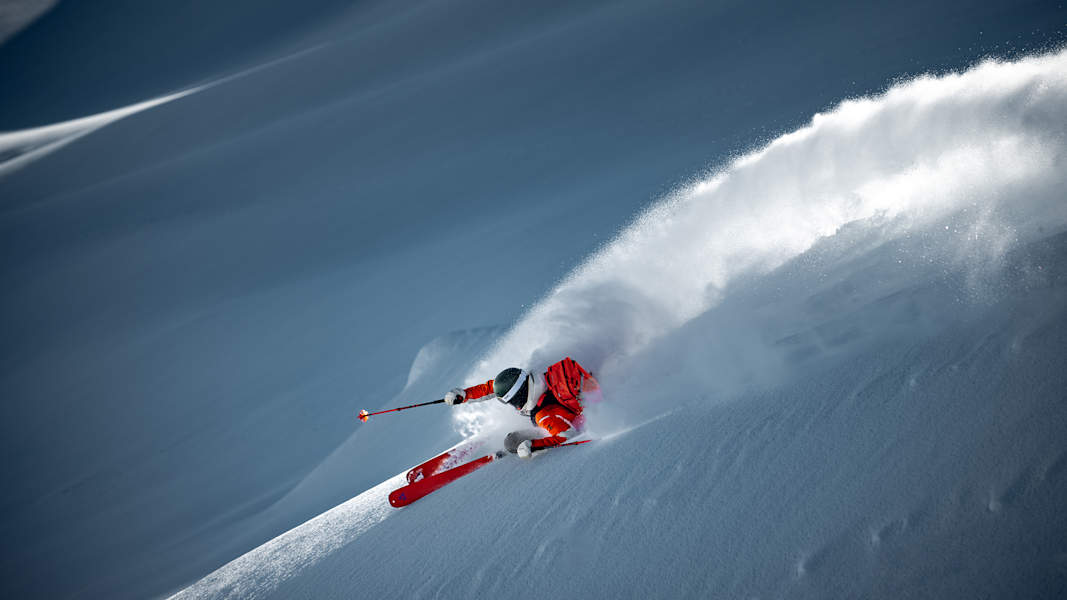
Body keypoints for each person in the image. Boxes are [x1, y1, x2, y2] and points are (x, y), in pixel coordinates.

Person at [444, 357, 600, 458]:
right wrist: (465, 395)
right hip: (563, 413)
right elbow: (494, 387)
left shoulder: (544, 415)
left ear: (523, 393)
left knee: (512, 442)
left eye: (514, 401)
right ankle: (520, 442)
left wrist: (533, 446)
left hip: (566, 422)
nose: (516, 407)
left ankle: (522, 442)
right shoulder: (537, 376)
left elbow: (567, 435)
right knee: (513, 440)